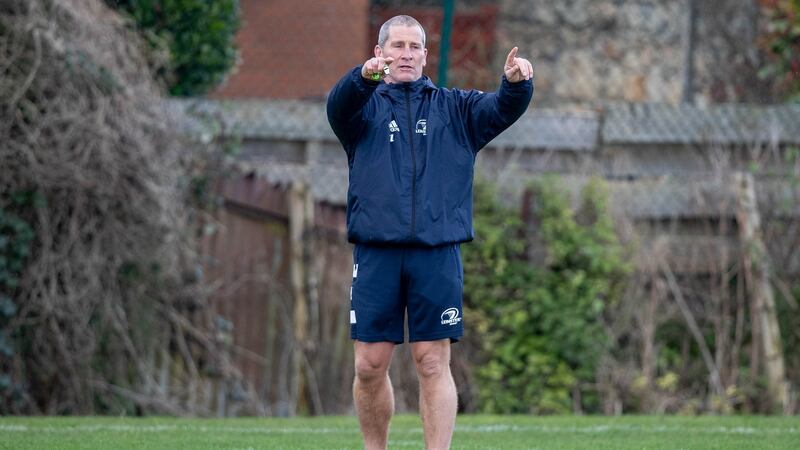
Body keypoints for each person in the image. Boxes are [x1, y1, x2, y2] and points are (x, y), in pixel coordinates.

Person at [326, 15, 533, 450]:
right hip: (377, 251)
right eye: (396, 45)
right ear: (380, 53)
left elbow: (500, 109)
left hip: (437, 253)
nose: (405, 53)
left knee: (432, 361)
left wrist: (516, 85)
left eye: (413, 46)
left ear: (424, 55)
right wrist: (360, 79)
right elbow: (337, 105)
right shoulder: (361, 109)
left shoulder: (456, 109)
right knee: (369, 364)